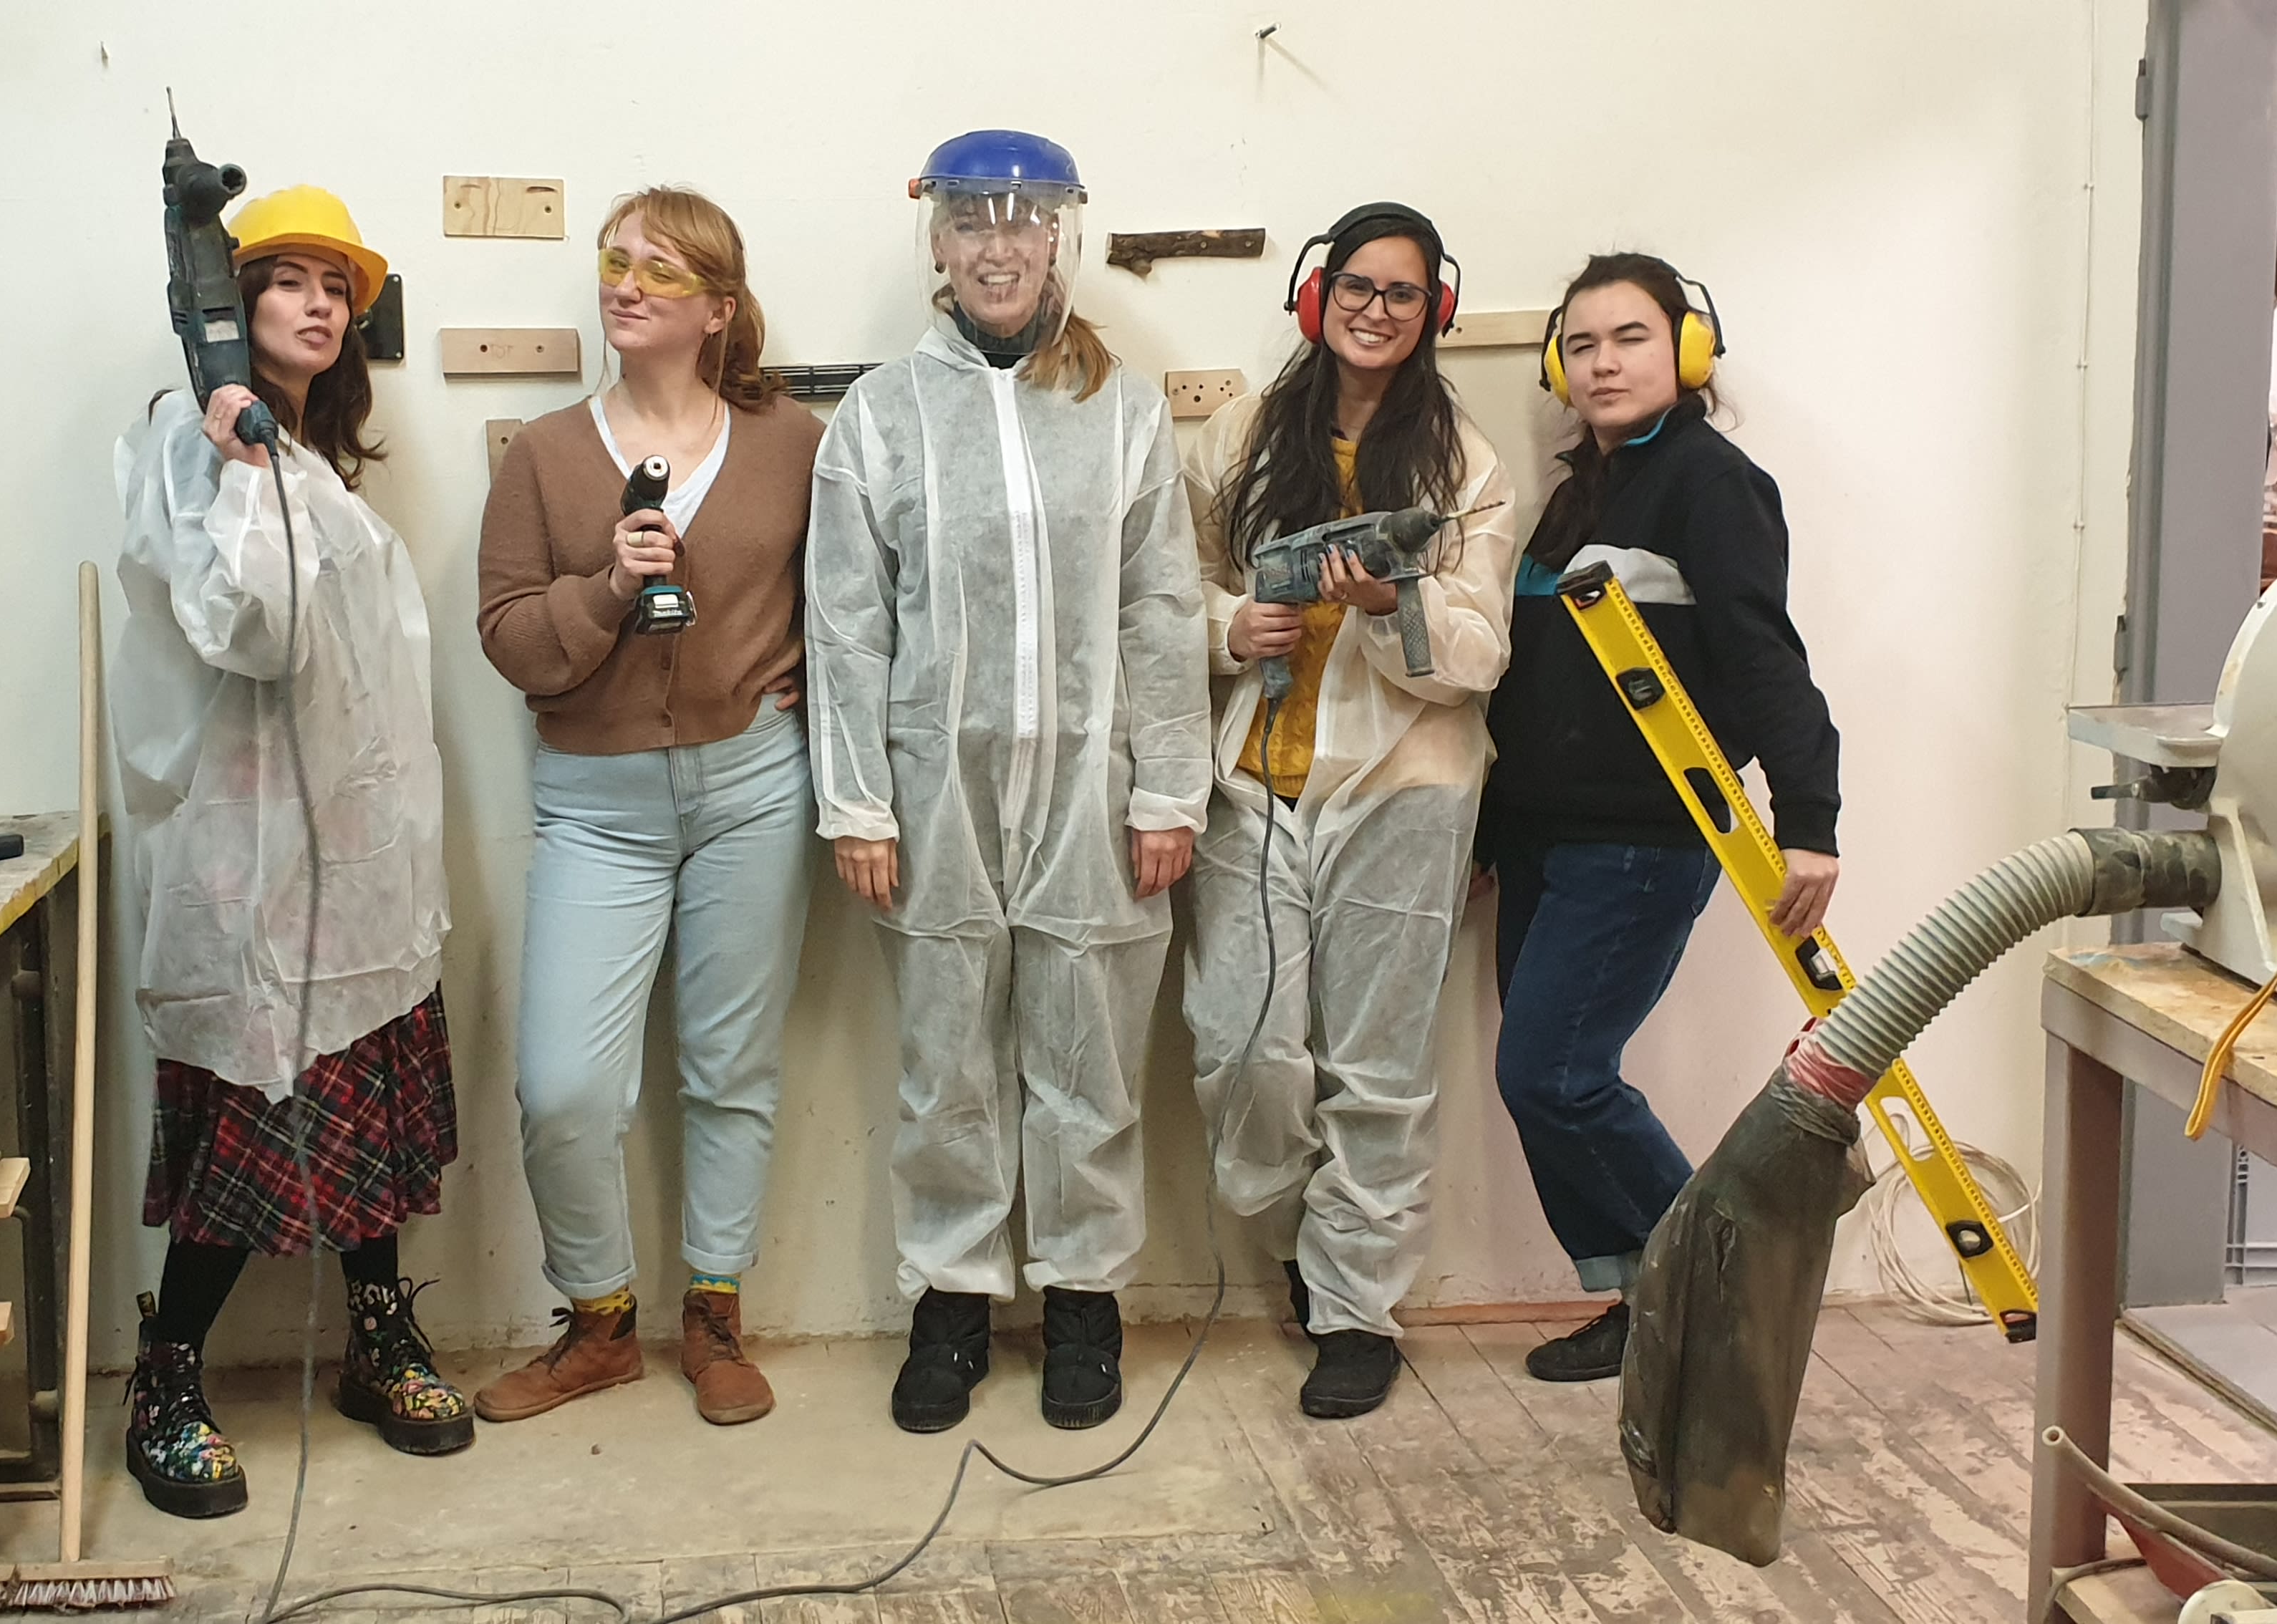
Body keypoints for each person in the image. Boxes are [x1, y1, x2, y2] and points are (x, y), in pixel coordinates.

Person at [806, 130, 1210, 1436]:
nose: (995, 244)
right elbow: (846, 620)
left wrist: (1168, 791)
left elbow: (1158, 606)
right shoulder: (881, 412)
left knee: (1086, 1048)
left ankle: (1084, 1295)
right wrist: (857, 797)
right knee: (945, 1060)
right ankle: (953, 1300)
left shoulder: (1125, 406)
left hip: (1096, 791)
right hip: (934, 796)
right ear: (935, 241)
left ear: (1059, 238)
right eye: (970, 222)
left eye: (1021, 221)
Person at [110, 184, 469, 1517]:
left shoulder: (314, 462)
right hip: (246, 862)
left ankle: (379, 1337)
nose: (321, 304)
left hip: (357, 860)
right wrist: (242, 460)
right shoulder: (186, 441)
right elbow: (251, 632)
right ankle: (166, 1370)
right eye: (289, 280)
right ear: (228, 300)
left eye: (339, 285)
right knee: (253, 1115)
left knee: (361, 1090)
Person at [473, 187, 821, 1429]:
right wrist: (608, 585)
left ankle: (715, 1314)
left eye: (658, 271)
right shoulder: (547, 453)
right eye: (615, 262)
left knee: (731, 1069)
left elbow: (851, 600)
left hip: (752, 786)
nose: (624, 283)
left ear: (716, 310)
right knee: (566, 1084)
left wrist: (807, 694)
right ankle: (599, 1320)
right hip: (593, 799)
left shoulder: (793, 443)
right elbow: (511, 638)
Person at [1478, 252, 1842, 1383]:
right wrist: (1493, 834)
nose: (1603, 363)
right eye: (1581, 345)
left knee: (1555, 1076)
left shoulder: (1708, 481)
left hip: (1641, 840)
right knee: (1541, 1078)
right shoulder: (1576, 495)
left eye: (1630, 337)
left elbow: (1762, 653)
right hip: (1543, 838)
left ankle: (1724, 1290)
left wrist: (1811, 817)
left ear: (1685, 353)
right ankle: (1646, 1303)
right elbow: (1532, 686)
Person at [1181, 203, 1517, 1419]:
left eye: (1403, 293)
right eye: (1358, 287)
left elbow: (1478, 651)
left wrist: (1388, 602)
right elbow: (1173, 593)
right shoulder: (1238, 435)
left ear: (1435, 312)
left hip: (1405, 791)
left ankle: (1357, 1307)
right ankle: (1301, 1242)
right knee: (1242, 1049)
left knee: (1376, 1069)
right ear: (1317, 298)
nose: (1377, 311)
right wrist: (1231, 626)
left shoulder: (1462, 464)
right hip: (1255, 781)